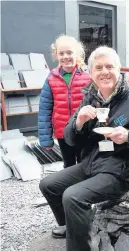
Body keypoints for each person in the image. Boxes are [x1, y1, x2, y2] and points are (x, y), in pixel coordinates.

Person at [39, 46, 129, 251]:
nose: (104, 71)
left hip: (121, 171)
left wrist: (128, 136)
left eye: (110, 66)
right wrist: (79, 122)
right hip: (92, 163)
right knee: (48, 185)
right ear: (91, 73)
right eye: (98, 67)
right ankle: (72, 226)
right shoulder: (89, 97)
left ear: (119, 70)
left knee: (72, 196)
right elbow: (70, 138)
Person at [38, 35, 91, 167]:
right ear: (56, 55)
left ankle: (83, 188)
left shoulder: (88, 76)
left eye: (69, 52)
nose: (65, 56)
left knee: (85, 165)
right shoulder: (51, 79)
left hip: (84, 131)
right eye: (61, 53)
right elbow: (44, 110)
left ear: (77, 53)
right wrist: (46, 139)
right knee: (68, 166)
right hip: (62, 133)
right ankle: (69, 188)